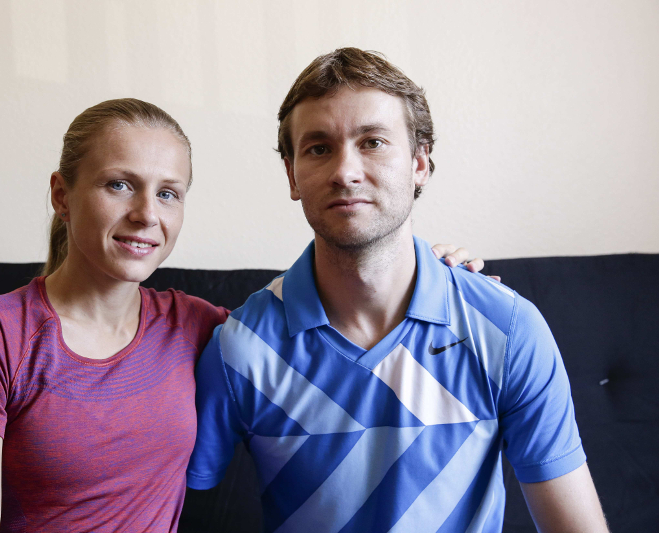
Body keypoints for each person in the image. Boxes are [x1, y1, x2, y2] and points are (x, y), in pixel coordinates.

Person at [0, 97, 481, 532]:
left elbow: (327, 307)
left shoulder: (198, 328)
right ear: (62, 195)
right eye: (120, 185)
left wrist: (424, 269)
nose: (145, 215)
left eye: (169, 193)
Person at [187, 48, 609, 533]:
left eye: (372, 142)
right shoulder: (239, 347)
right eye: (319, 148)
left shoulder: (507, 329)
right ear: (292, 175)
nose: (345, 172)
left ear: (420, 165)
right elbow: (165, 507)